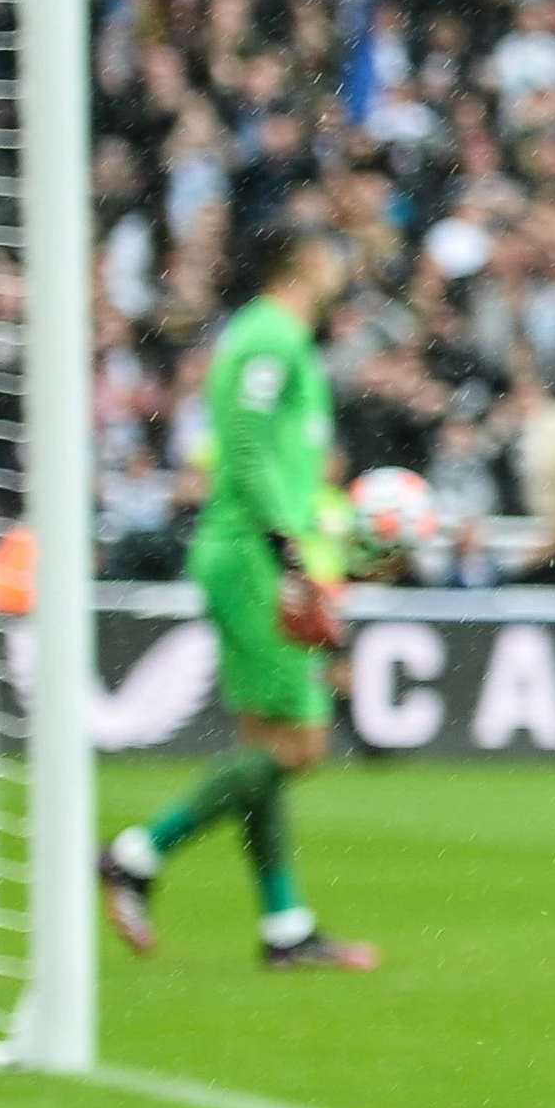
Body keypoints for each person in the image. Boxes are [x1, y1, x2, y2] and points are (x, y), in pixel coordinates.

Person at [97, 218, 379, 971]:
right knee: (303, 745)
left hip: (255, 546)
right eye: (331, 252)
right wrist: (288, 546)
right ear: (303, 258)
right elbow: (249, 448)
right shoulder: (270, 338)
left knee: (264, 750)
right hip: (256, 550)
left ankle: (285, 927)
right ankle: (137, 852)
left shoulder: (275, 341)